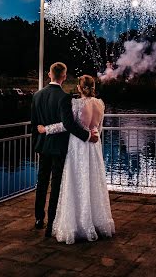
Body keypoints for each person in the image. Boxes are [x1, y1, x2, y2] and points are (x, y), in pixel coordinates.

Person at [37, 74, 115, 244]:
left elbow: (66, 125)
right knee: (93, 182)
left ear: (80, 88)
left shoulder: (77, 104)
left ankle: (78, 224)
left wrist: (46, 129)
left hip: (79, 146)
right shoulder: (100, 104)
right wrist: (93, 135)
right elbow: (98, 129)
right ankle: (95, 221)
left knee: (76, 182)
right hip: (94, 147)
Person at [31, 62, 99, 237]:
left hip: (42, 146)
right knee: (56, 186)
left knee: (42, 182)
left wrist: (37, 143)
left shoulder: (37, 95)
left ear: (49, 75)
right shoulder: (64, 97)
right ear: (63, 76)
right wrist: (87, 136)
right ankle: (51, 223)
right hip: (60, 147)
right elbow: (68, 124)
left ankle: (39, 218)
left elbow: (34, 124)